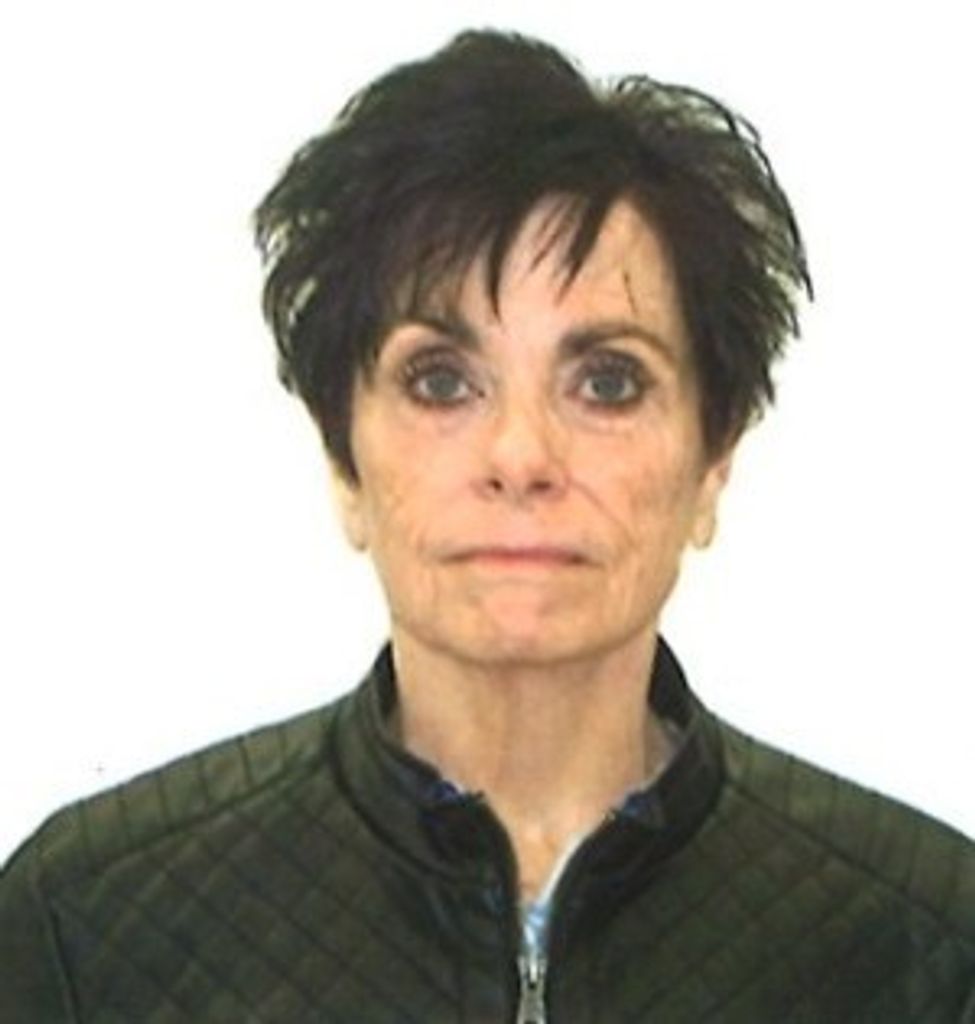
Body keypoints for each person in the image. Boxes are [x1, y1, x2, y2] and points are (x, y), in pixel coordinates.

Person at [1, 28, 973, 1023]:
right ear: (344, 460)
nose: (520, 454)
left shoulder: (928, 944)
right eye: (440, 381)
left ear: (711, 461)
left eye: (607, 382)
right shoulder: (84, 930)